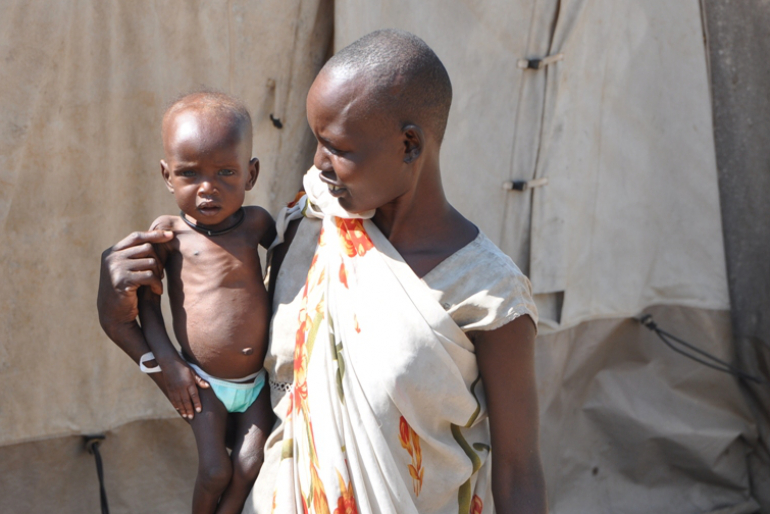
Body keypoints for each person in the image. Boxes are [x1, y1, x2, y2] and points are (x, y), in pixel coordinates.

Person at [98, 30, 546, 514]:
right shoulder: (309, 223)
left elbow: (519, 473)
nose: (317, 163)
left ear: (409, 144)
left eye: (337, 147)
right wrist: (122, 321)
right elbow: (263, 381)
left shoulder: (486, 292)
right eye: (317, 140)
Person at [132, 92, 276, 514]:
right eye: (189, 173)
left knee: (251, 463)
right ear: (167, 175)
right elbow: (147, 305)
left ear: (251, 175)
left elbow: (297, 258)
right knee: (214, 471)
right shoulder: (170, 235)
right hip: (202, 384)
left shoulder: (257, 225)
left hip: (260, 382)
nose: (207, 189)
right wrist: (168, 361)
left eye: (226, 172)